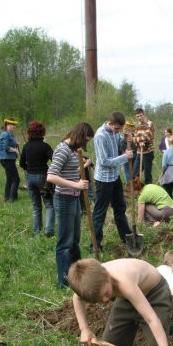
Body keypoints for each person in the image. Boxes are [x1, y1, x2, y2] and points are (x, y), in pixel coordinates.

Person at [47, 122, 94, 287]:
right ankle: (65, 281)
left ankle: (78, 276)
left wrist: (84, 165)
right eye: (85, 140)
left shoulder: (73, 150)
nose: (85, 144)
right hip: (64, 199)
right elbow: (51, 176)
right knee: (65, 243)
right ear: (79, 136)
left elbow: (71, 170)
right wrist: (76, 185)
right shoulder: (62, 149)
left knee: (74, 240)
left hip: (73, 199)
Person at [92, 112, 133, 250]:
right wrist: (125, 157)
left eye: (120, 130)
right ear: (110, 123)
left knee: (120, 207)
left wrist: (125, 140)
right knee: (100, 211)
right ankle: (95, 243)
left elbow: (120, 147)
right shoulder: (100, 136)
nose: (118, 132)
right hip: (104, 179)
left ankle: (127, 236)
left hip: (115, 177)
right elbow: (104, 161)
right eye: (116, 129)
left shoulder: (116, 132)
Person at [19, 121, 55, 236]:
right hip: (43, 177)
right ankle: (49, 231)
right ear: (42, 132)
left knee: (36, 206)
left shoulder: (26, 146)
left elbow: (21, 163)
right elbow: (55, 160)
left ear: (29, 133)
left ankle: (36, 232)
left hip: (30, 178)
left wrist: (28, 168)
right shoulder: (45, 146)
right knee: (49, 205)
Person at [0, 118, 20, 202]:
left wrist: (16, 143)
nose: (14, 126)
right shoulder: (5, 134)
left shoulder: (9, 134)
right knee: (16, 179)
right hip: (6, 159)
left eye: (15, 125)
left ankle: (7, 198)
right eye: (12, 124)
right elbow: (5, 147)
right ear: (7, 124)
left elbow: (10, 143)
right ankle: (12, 198)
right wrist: (15, 150)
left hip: (9, 159)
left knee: (9, 178)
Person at [133, 108, 155, 184]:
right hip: (139, 152)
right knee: (135, 173)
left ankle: (148, 190)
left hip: (148, 152)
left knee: (147, 173)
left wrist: (139, 139)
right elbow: (134, 138)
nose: (139, 118)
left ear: (144, 115)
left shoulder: (149, 124)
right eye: (137, 116)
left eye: (140, 115)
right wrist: (139, 142)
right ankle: (137, 189)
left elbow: (148, 137)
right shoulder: (137, 125)